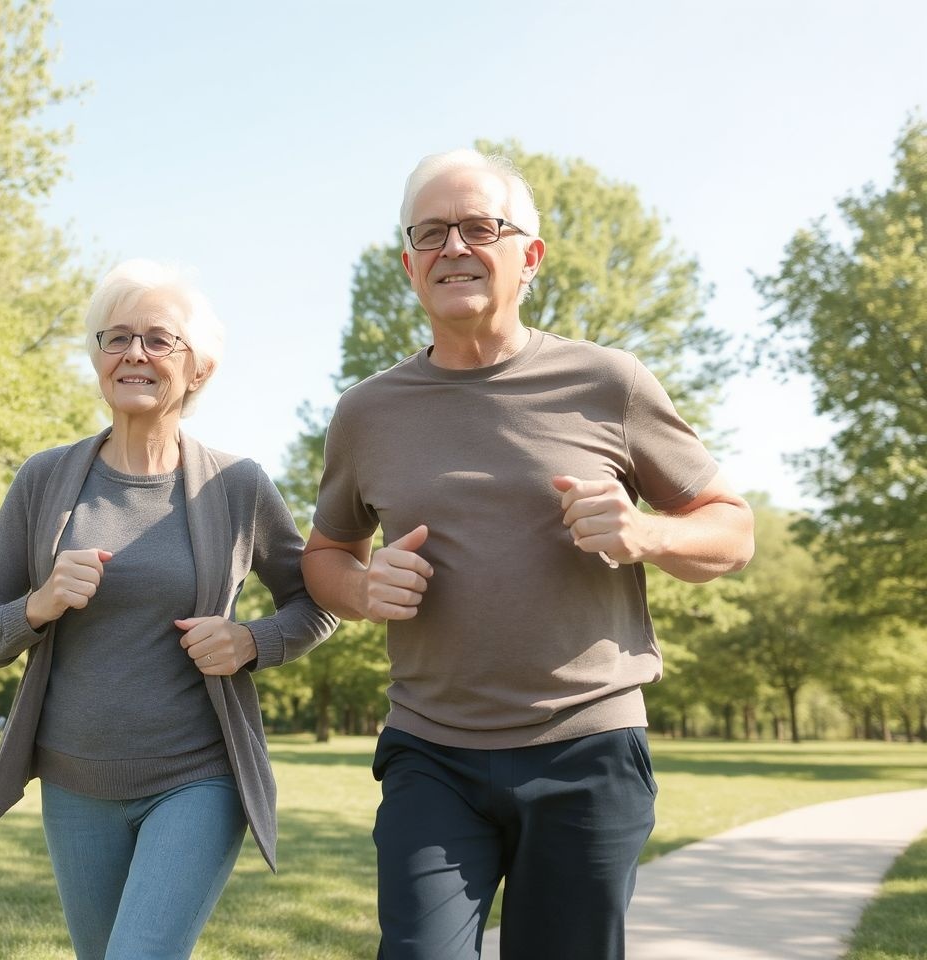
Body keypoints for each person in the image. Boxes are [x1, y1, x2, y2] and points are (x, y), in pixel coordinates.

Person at [301, 149, 755, 960]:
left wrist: (645, 534)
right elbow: (327, 553)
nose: (453, 248)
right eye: (430, 233)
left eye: (481, 226)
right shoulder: (366, 412)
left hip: (589, 747)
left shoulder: (607, 382)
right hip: (431, 752)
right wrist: (365, 589)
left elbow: (732, 531)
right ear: (409, 263)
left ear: (530, 255)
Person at [0, 259, 336, 960]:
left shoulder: (238, 485)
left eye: (160, 339)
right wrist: (37, 605)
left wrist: (253, 641)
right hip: (74, 785)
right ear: (97, 360)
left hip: (197, 777)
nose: (135, 353)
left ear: (198, 370)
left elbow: (318, 603)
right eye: (116, 337)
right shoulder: (43, 480)